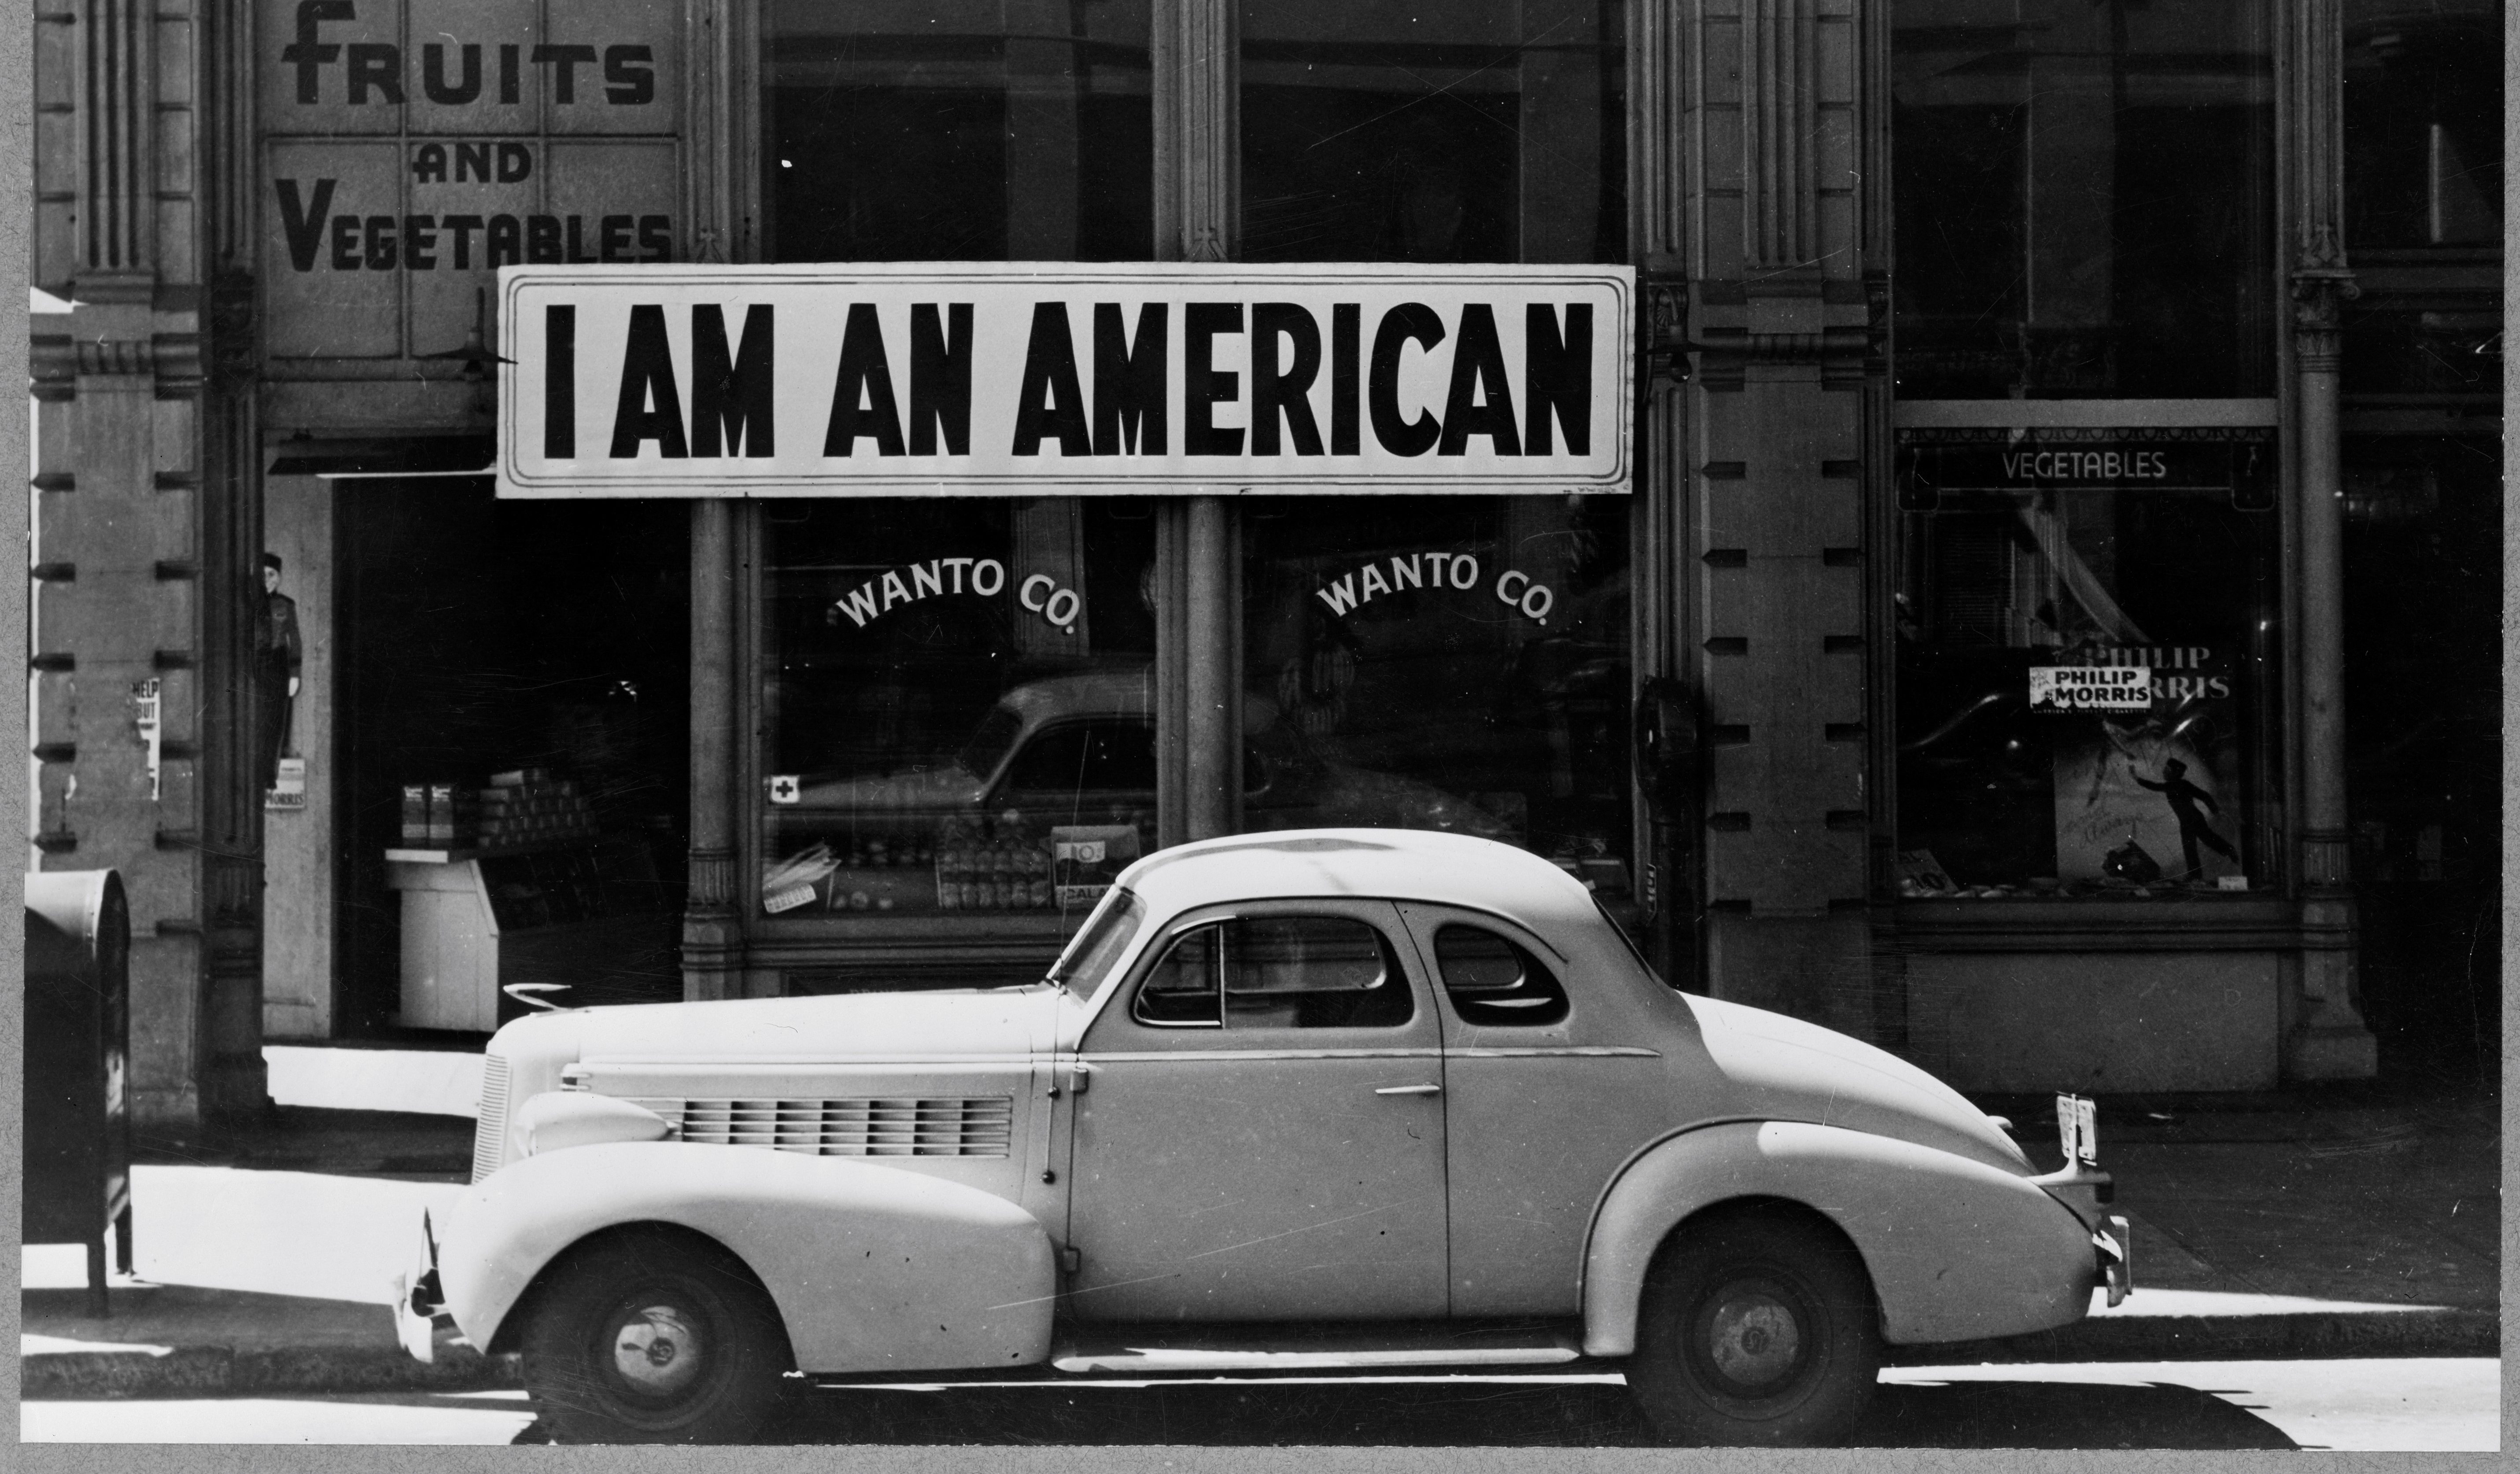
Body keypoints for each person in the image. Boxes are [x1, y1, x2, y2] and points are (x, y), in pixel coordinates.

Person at [2133, 758, 2238, 880]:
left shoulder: (2182, 785)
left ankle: (2228, 852)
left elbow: (2204, 796)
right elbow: (2155, 786)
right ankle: (2196, 876)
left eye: (2167, 770)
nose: (2164, 772)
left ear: (2174, 772)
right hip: (2187, 822)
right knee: (2193, 847)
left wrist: (2216, 811)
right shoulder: (2173, 785)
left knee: (2204, 841)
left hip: (2194, 820)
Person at [255, 553, 302, 792]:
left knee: (275, 721)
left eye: (272, 574)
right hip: (254, 665)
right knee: (255, 719)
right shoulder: (249, 604)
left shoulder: (286, 605)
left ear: (280, 577)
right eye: (263, 574)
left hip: (277, 664)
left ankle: (269, 773)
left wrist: (295, 674)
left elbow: (294, 639)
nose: (267, 579)